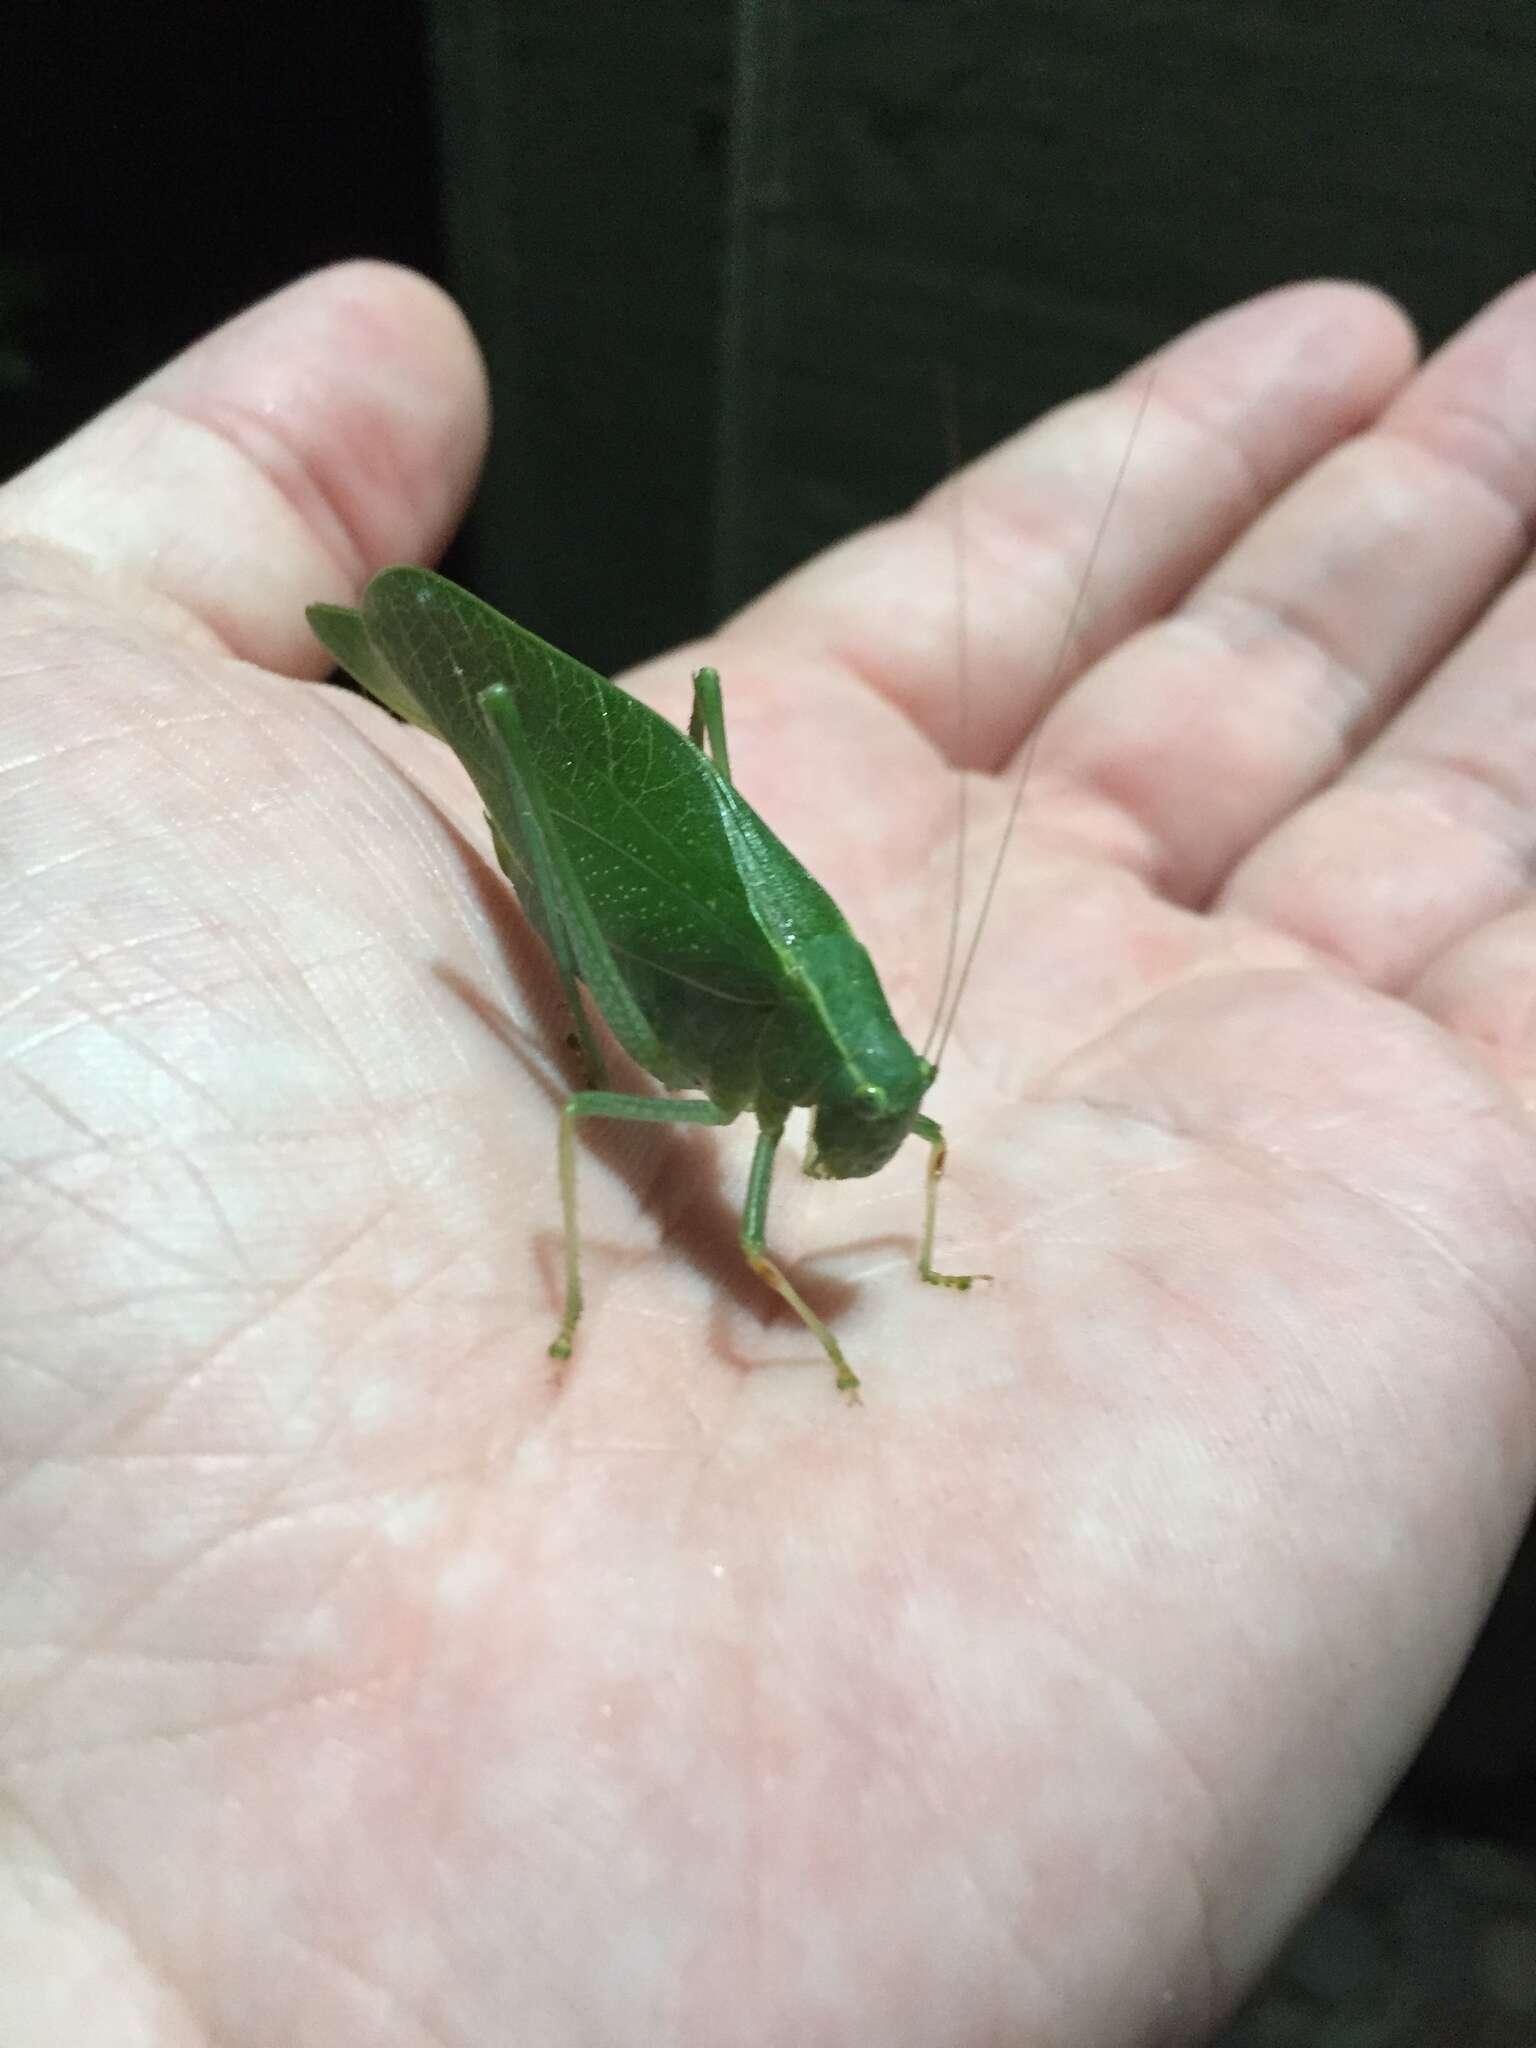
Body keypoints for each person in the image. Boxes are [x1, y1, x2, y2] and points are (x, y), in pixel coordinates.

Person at [2, 261, 1533, 2045]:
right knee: (590, 1076)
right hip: (627, 949)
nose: (882, 1141)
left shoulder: (878, 1081)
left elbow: (906, 1128)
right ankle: (517, 823)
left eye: (881, 1121)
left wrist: (915, 1219)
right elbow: (601, 1109)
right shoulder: (759, 1100)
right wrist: (681, 1298)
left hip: (723, 961)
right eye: (871, 1122)